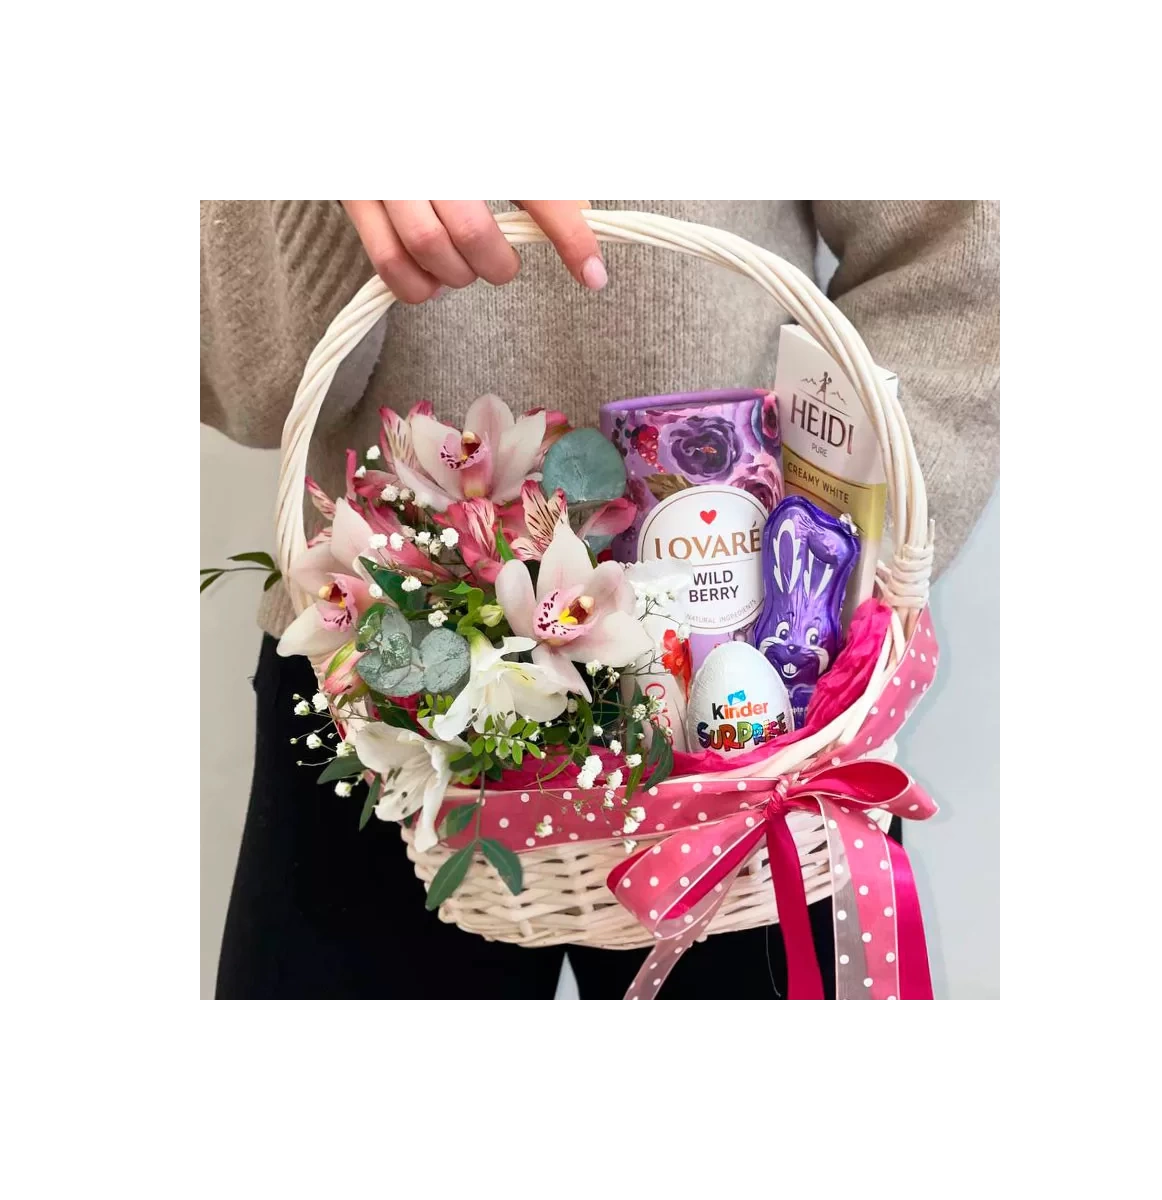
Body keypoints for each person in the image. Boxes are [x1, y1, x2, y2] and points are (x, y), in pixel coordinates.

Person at [202, 199, 1000, 999]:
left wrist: (838, 562)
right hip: (395, 704)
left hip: (762, 757)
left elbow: (963, 264)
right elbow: (253, 388)